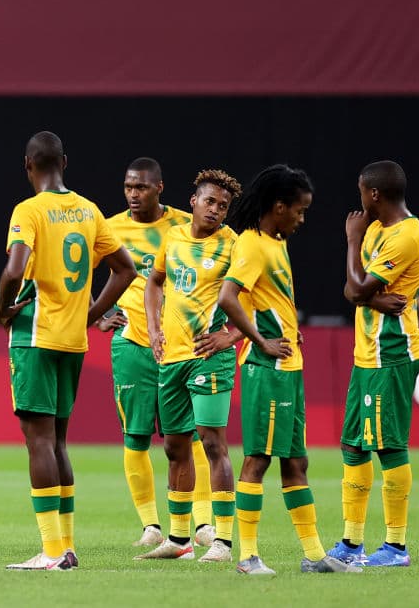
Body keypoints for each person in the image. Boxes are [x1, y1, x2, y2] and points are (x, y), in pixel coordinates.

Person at [0, 132, 137, 570]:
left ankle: (52, 550)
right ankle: (67, 546)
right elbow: (126, 269)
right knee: (57, 441)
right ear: (65, 162)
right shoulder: (89, 209)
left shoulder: (29, 210)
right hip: (73, 340)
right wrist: (91, 312)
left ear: (27, 165)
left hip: (36, 336)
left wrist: (2, 306)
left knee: (38, 441)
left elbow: (15, 268)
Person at [215, 165, 360, 575]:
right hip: (268, 368)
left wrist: (288, 330)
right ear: (278, 207)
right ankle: (247, 557)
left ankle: (314, 556)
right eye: (299, 210)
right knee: (258, 460)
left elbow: (266, 301)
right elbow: (229, 297)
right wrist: (259, 340)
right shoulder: (252, 245)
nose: (302, 218)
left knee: (297, 463)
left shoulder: (276, 243)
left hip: (289, 367)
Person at [137, 169, 288, 563]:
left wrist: (230, 337)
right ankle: (179, 538)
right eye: (210, 202)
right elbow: (155, 282)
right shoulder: (172, 238)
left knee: (212, 443)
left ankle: (222, 540)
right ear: (193, 201)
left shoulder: (234, 245)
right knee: (174, 447)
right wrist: (153, 327)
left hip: (211, 357)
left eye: (223, 206)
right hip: (172, 358)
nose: (216, 210)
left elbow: (253, 300)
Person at [96, 158, 220, 550]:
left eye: (142, 187)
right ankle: (150, 525)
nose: (134, 194)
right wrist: (98, 314)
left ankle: (201, 524)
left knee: (190, 437)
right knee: (135, 437)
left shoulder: (184, 225)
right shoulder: (111, 227)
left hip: (180, 346)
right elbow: (81, 271)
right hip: (132, 343)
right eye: (129, 186)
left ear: (159, 188)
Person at [327, 160, 419, 568]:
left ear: (373, 194)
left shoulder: (407, 235)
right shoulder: (375, 229)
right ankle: (351, 542)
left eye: (360, 190)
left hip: (393, 352)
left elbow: (356, 288)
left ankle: (396, 547)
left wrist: (351, 242)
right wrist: (367, 297)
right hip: (367, 352)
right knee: (352, 445)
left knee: (388, 446)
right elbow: (352, 288)